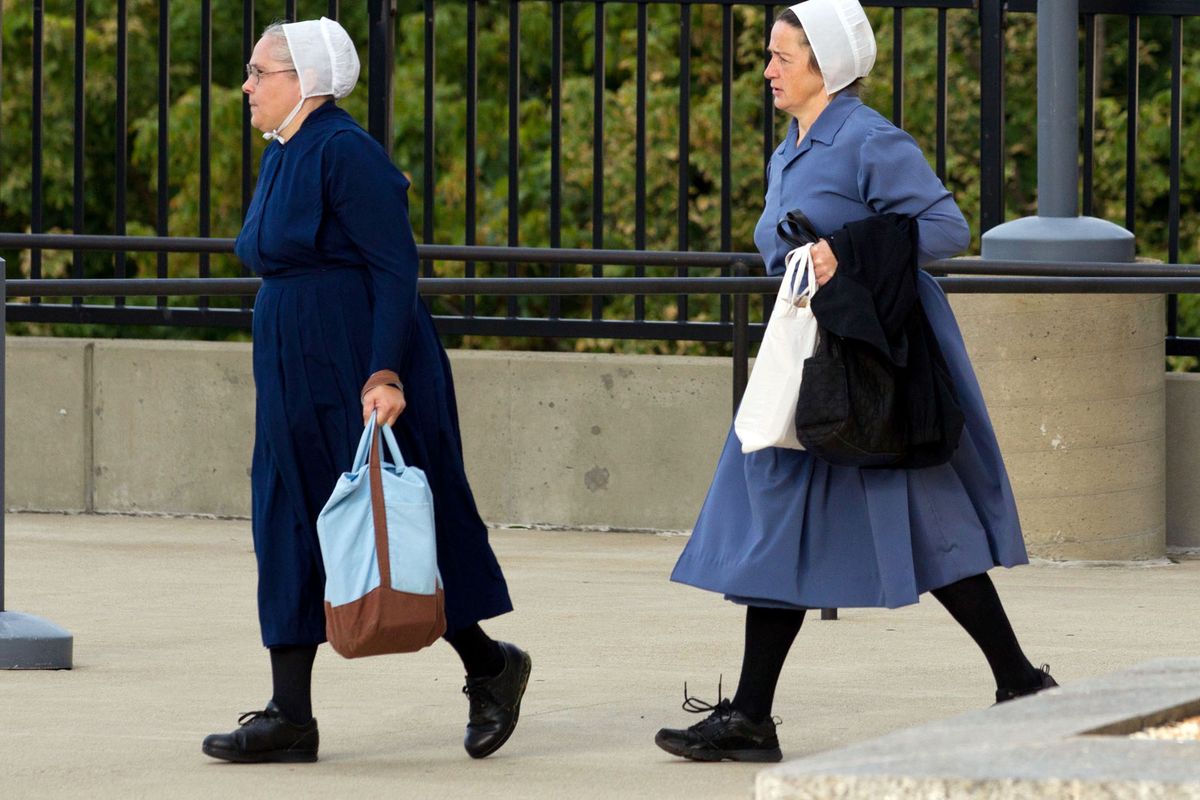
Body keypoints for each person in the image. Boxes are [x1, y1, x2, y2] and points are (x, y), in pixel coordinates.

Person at [654, 0, 1055, 764]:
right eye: (768, 55)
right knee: (778, 518)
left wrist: (847, 248)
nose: (768, 70)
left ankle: (1019, 682)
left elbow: (945, 229)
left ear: (826, 65)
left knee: (926, 516)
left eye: (784, 56)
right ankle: (750, 715)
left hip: (873, 361)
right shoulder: (791, 146)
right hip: (808, 354)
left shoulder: (868, 137)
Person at [202, 17, 529, 764]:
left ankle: (490, 665)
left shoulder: (346, 151)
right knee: (288, 513)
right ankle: (290, 715)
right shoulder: (285, 151)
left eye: (259, 72)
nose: (246, 85)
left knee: (399, 519)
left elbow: (395, 267)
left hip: (356, 361)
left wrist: (384, 373)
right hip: (292, 359)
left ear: (304, 80)